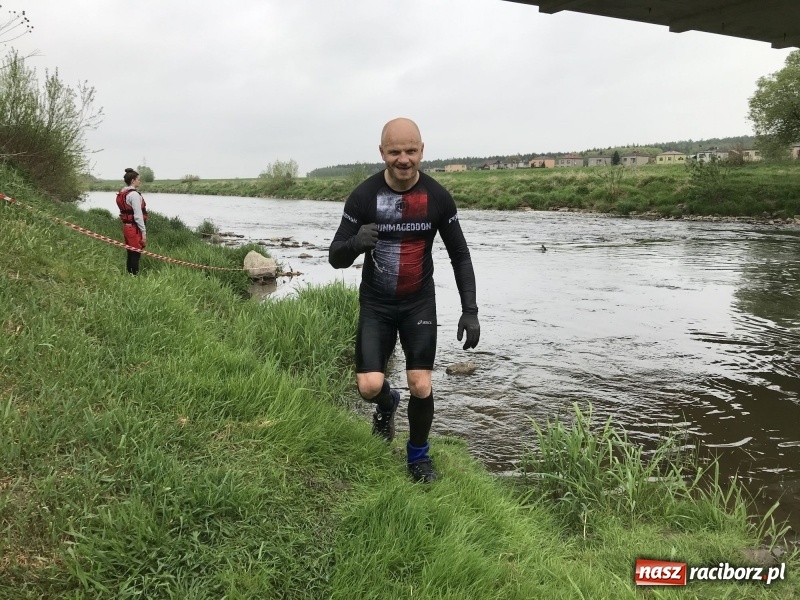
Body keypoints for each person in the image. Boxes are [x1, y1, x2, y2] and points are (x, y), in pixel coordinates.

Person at [329, 117, 480, 483]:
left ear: (422, 151)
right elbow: (336, 257)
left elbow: (459, 254)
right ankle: (386, 404)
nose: (403, 159)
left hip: (418, 304)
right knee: (367, 386)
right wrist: (355, 243)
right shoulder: (364, 197)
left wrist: (470, 310)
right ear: (382, 152)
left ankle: (418, 457)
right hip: (377, 304)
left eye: (411, 151)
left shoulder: (437, 197)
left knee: (421, 383)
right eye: (395, 151)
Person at [115, 168, 147, 275]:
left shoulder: (123, 192)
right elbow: (138, 216)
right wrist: (143, 232)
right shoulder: (134, 195)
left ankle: (129, 275)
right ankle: (134, 276)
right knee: (135, 254)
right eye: (138, 179)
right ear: (133, 181)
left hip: (126, 227)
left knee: (130, 252)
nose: (140, 181)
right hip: (134, 228)